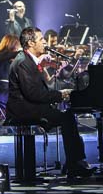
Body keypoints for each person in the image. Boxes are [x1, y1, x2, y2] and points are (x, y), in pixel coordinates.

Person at [6, 27, 93, 178]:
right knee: (67, 118)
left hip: (30, 106)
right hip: (25, 109)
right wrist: (60, 95)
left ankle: (74, 162)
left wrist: (58, 91)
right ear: (31, 43)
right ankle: (75, 163)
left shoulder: (29, 60)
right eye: (41, 40)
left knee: (68, 116)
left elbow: (38, 90)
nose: (45, 43)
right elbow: (33, 94)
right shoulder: (23, 63)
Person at [0, 34, 21, 117]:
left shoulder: (5, 57)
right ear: (11, 44)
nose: (17, 47)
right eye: (16, 44)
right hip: (0, 88)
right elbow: (14, 54)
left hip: (4, 87)